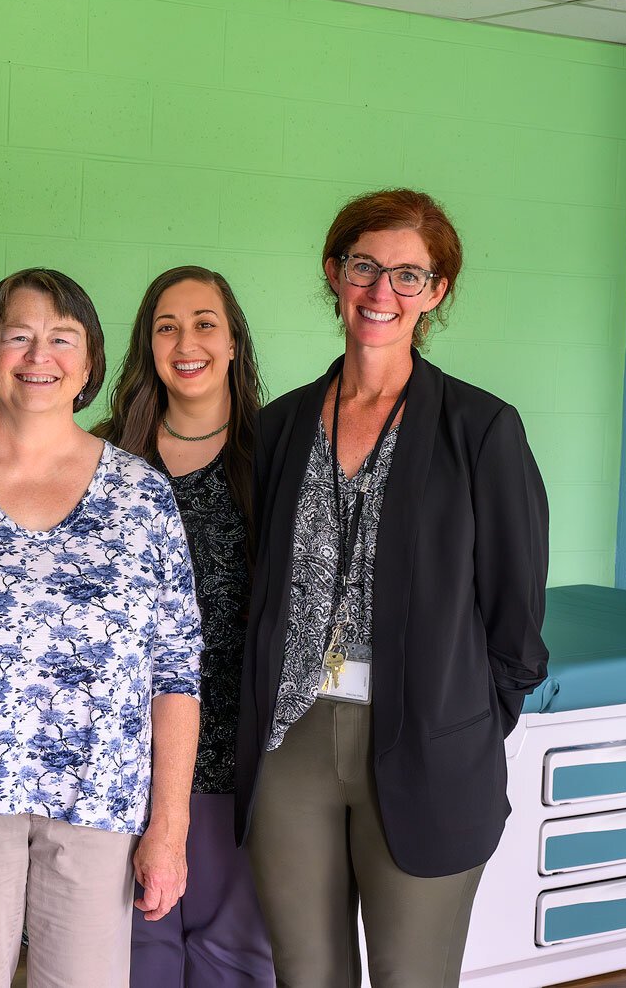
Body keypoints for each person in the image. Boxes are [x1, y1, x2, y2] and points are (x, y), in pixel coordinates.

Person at [235, 189, 550, 988]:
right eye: (365, 268)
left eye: (408, 275)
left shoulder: (481, 430)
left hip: (426, 745)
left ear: (436, 291)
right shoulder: (280, 427)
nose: (382, 293)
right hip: (291, 744)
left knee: (414, 978)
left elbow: (516, 622)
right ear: (335, 273)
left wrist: (465, 724)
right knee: (306, 977)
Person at [0, 268, 203, 988]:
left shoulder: (142, 496)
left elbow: (175, 671)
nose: (38, 356)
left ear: (89, 363)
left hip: (99, 801)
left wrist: (169, 830)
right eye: (17, 336)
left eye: (62, 338)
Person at [96, 265, 274, 988]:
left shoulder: (277, 456)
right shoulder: (101, 455)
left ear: (234, 342)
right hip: (118, 757)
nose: (186, 341)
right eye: (167, 326)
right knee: (135, 958)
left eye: (205, 323)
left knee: (234, 958)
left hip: (239, 754)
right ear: (148, 345)